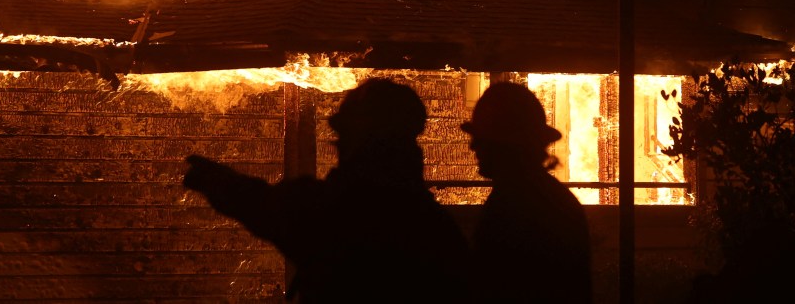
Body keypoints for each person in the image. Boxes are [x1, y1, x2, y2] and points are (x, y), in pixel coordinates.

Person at [184, 77, 470, 303]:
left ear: (364, 139)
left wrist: (223, 183)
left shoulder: (347, 210)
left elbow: (279, 210)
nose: (337, 145)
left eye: (343, 136)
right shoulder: (431, 223)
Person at [462, 81, 592, 304]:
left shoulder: (516, 206)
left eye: (482, 138)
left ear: (507, 145)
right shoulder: (547, 199)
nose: (473, 147)